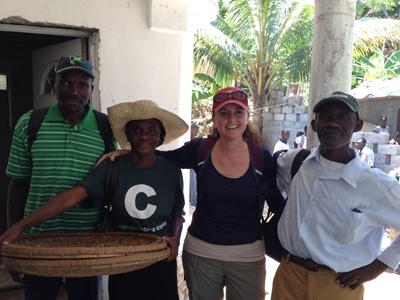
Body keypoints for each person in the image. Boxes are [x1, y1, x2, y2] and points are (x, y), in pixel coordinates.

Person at [100, 86, 284, 300]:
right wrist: (125, 153)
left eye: (238, 112)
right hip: (201, 254)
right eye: (224, 113)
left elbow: (276, 201)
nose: (231, 119)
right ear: (215, 118)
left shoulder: (261, 157)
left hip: (248, 257)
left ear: (246, 116)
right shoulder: (200, 150)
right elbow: (162, 157)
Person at [1, 100, 188, 300]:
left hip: (159, 258)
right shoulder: (112, 166)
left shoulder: (171, 170)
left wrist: (175, 239)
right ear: (128, 135)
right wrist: (21, 225)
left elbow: (177, 211)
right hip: (122, 260)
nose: (144, 136)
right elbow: (71, 197)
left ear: (160, 136)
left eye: (152, 130)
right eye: (137, 130)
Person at [4, 55, 117, 300]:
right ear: (52, 84)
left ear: (91, 89)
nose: (73, 91)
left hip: (87, 244)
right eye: (65, 83)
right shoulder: (31, 123)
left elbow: (115, 180)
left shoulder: (106, 128)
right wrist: (15, 240)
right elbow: (18, 184)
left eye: (82, 85)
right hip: (38, 242)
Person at [272, 91, 400, 300]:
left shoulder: (376, 185)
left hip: (339, 286)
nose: (333, 123)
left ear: (357, 126)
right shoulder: (296, 162)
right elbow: (266, 165)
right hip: (289, 278)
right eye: (325, 116)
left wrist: (375, 268)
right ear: (315, 125)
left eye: (342, 117)